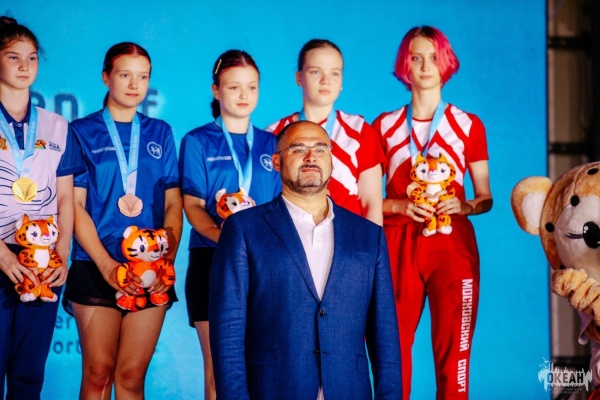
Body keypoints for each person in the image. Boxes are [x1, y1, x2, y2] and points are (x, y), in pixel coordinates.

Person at [209, 120, 402, 400]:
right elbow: (228, 328)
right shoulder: (243, 228)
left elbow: (385, 334)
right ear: (277, 162)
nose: (311, 157)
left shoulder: (368, 235)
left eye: (320, 149)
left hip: (349, 389)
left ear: (332, 161)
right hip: (273, 390)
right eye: (298, 149)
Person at [372, 26, 493, 399]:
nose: (425, 66)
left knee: (454, 353)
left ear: (446, 62)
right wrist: (399, 205)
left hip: (451, 244)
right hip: (398, 243)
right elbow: (368, 199)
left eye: (433, 57)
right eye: (416, 57)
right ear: (404, 64)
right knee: (392, 352)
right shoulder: (384, 126)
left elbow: (485, 197)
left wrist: (466, 205)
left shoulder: (468, 124)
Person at [63, 42, 182, 399]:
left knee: (131, 377)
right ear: (106, 77)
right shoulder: (80, 131)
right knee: (98, 374)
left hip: (150, 268)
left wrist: (165, 261)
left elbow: (173, 203)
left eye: (143, 77)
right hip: (95, 263)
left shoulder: (160, 132)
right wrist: (106, 265)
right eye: (125, 75)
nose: (134, 84)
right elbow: (75, 206)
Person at [179, 49, 281, 400]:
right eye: (234, 87)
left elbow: (282, 208)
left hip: (264, 264)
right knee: (219, 373)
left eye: (251, 87)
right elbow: (192, 205)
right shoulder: (197, 141)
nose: (243, 95)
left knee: (262, 370)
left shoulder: (273, 143)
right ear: (216, 90)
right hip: (212, 260)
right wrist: (222, 236)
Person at [0, 16, 83, 399]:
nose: (24, 66)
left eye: (31, 57)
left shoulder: (57, 126)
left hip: (42, 261)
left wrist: (61, 254)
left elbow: (66, 197)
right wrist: (3, 255)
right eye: (13, 57)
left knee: (29, 375)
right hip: (1, 253)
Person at [266, 39, 384, 225]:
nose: (325, 81)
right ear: (299, 77)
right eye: (315, 71)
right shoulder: (273, 133)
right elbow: (267, 197)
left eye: (334, 73)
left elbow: (372, 203)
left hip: (347, 236)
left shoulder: (361, 131)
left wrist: (372, 243)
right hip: (290, 234)